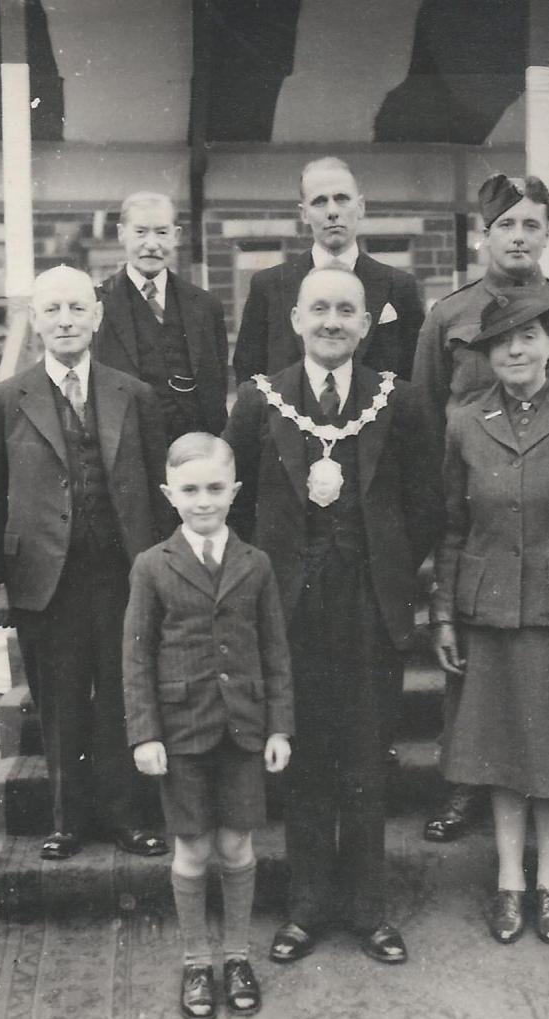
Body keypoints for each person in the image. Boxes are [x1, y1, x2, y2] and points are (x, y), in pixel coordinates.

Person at [225, 263, 444, 965]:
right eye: (317, 308)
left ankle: (369, 909)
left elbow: (426, 504)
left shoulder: (398, 400)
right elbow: (233, 508)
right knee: (304, 760)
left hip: (367, 609)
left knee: (365, 761)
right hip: (288, 611)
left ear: (363, 323)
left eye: (345, 310)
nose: (330, 321)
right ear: (293, 320)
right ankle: (306, 906)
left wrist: (384, 564)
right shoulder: (259, 403)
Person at [412, 172, 549, 844]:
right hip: (477, 518)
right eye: (506, 224)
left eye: (531, 224)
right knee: (471, 670)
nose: (518, 236)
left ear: (547, 231)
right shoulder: (447, 316)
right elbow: (424, 415)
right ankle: (463, 787)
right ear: (482, 233)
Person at [431, 289, 549, 945]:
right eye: (499, 342)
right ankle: (509, 882)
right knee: (500, 756)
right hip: (487, 615)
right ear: (485, 354)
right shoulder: (463, 421)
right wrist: (444, 616)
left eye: (527, 338)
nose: (513, 351)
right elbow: (451, 529)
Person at [0, 265, 174, 860]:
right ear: (35, 320)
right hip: (43, 576)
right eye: (53, 309)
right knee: (58, 701)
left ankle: (125, 816)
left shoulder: (132, 394)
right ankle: (68, 819)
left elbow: (161, 491)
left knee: (120, 692)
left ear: (97, 317)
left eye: (77, 308)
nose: (66, 320)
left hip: (121, 571)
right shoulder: (4, 400)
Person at [123, 433, 294, 1019]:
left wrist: (280, 727)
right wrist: (145, 734)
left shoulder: (256, 564)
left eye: (215, 489)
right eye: (190, 490)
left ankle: (237, 955)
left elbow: (275, 651)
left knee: (237, 844)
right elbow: (137, 657)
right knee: (193, 850)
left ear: (235, 491)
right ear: (170, 494)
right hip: (181, 734)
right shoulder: (152, 566)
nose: (203, 501)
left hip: (244, 729)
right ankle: (197, 960)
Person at [233, 156, 425, 385]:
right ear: (304, 213)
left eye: (342, 199)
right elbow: (248, 374)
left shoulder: (399, 286)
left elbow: (416, 373)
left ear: (361, 207)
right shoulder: (268, 285)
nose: (332, 211)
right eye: (320, 201)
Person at [93, 191, 228, 444]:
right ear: (122, 233)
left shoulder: (206, 305)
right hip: (127, 446)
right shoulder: (96, 304)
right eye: (141, 232)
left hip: (194, 448)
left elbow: (217, 383)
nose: (152, 244)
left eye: (162, 233)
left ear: (176, 236)